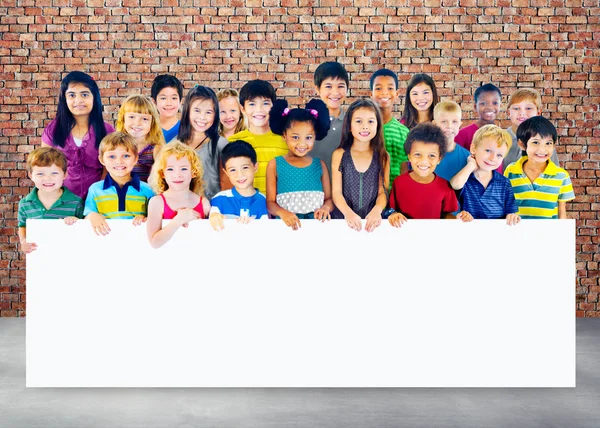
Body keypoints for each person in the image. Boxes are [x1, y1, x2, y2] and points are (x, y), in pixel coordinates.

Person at [41, 71, 114, 199]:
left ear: (94, 97)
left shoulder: (107, 130)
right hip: (61, 201)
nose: (78, 100)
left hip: (97, 200)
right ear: (64, 99)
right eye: (72, 95)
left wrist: (98, 196)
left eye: (84, 94)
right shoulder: (52, 130)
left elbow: (109, 168)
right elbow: (44, 165)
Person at [266, 99, 333, 230]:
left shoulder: (320, 165)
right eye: (295, 137)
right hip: (286, 227)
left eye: (308, 137)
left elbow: (329, 199)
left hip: (317, 227)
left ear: (315, 136)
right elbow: (270, 203)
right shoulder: (275, 165)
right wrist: (282, 213)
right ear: (284, 135)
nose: (302, 144)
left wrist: (325, 208)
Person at [387, 123, 473, 226]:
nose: (424, 161)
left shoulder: (445, 186)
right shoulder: (399, 183)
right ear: (409, 156)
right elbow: (390, 210)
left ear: (439, 159)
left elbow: (447, 215)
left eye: (431, 155)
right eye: (417, 154)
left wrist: (459, 218)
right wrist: (393, 215)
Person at [331, 98, 390, 232]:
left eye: (370, 121)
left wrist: (377, 211)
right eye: (358, 121)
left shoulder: (383, 156)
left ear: (377, 125)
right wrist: (348, 213)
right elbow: (336, 192)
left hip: (373, 223)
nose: (365, 126)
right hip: (343, 221)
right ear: (349, 126)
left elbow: (383, 192)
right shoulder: (339, 154)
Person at [84, 132, 154, 236]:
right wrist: (92, 215)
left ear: (135, 159)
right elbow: (87, 215)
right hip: (106, 240)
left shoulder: (148, 190)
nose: (119, 161)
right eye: (112, 156)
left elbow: (156, 218)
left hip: (137, 240)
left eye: (126, 156)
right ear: (102, 160)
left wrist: (146, 218)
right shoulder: (95, 189)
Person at [504, 116, 575, 219]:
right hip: (517, 233)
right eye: (535, 142)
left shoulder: (562, 176)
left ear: (554, 145)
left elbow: (561, 210)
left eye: (548, 143)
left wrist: (560, 233)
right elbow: (506, 204)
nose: (542, 149)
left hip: (548, 234)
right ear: (522, 144)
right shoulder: (510, 171)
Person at [227, 80, 288, 196]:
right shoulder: (233, 142)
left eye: (265, 103)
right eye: (252, 104)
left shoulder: (286, 140)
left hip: (280, 208)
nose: (259, 110)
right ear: (243, 109)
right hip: (248, 209)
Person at [450, 125, 520, 225]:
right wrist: (470, 165)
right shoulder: (465, 178)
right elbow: (455, 185)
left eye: (499, 155)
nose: (492, 158)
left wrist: (512, 216)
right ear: (473, 148)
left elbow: (511, 212)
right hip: (469, 230)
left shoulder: (504, 183)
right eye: (488, 151)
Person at [18, 147, 83, 254]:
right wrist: (23, 241)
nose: (47, 178)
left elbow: (84, 231)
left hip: (69, 255)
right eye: (40, 174)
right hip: (39, 259)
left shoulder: (76, 202)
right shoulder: (25, 204)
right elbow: (23, 225)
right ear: (30, 175)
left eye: (54, 173)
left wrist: (76, 221)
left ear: (65, 174)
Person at [146, 142, 210, 249]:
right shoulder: (157, 202)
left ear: (194, 172)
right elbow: (154, 243)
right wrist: (179, 220)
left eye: (184, 169)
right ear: (163, 173)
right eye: (170, 169)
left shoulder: (204, 204)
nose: (177, 174)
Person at [177, 85, 228, 200]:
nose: (202, 117)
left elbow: (227, 185)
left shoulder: (221, 145)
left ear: (215, 115)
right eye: (197, 110)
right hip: (182, 209)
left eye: (208, 112)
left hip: (213, 211)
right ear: (187, 111)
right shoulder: (174, 144)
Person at [209, 140, 269, 231]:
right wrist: (214, 216)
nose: (240, 175)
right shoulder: (219, 199)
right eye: (233, 170)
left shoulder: (264, 201)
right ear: (226, 172)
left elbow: (266, 230)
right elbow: (211, 223)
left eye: (245, 167)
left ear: (255, 167)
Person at [370, 68, 410, 185]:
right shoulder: (363, 129)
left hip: (394, 194)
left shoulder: (403, 132)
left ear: (396, 94)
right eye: (378, 88)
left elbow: (404, 169)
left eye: (390, 88)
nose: (384, 92)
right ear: (371, 94)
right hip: (368, 194)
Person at [503, 88, 560, 170]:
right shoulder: (499, 139)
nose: (522, 113)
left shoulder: (546, 141)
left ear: (538, 112)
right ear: (508, 113)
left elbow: (555, 173)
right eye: (516, 108)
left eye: (528, 108)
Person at [311, 61, 350, 180]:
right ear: (317, 89)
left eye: (340, 86)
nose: (335, 92)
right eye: (328, 86)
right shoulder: (307, 122)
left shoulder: (352, 123)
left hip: (342, 194)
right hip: (312, 192)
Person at [116, 94, 165, 183]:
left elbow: (159, 182)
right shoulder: (115, 147)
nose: (137, 123)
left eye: (144, 119)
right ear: (123, 119)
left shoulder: (156, 150)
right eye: (131, 117)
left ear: (152, 123)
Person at [455, 83, 502, 151]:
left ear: (500, 106)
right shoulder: (462, 135)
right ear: (475, 107)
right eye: (484, 103)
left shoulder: (502, 135)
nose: (489, 107)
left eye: (495, 103)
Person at [432, 101, 470, 183]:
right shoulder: (424, 153)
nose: (449, 126)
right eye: (444, 122)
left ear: (460, 124)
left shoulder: (467, 157)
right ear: (434, 124)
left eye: (454, 122)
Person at [150, 74, 184, 143]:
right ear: (154, 102)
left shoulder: (187, 129)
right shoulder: (147, 128)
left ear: (180, 101)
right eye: (163, 98)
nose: (169, 103)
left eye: (174, 98)